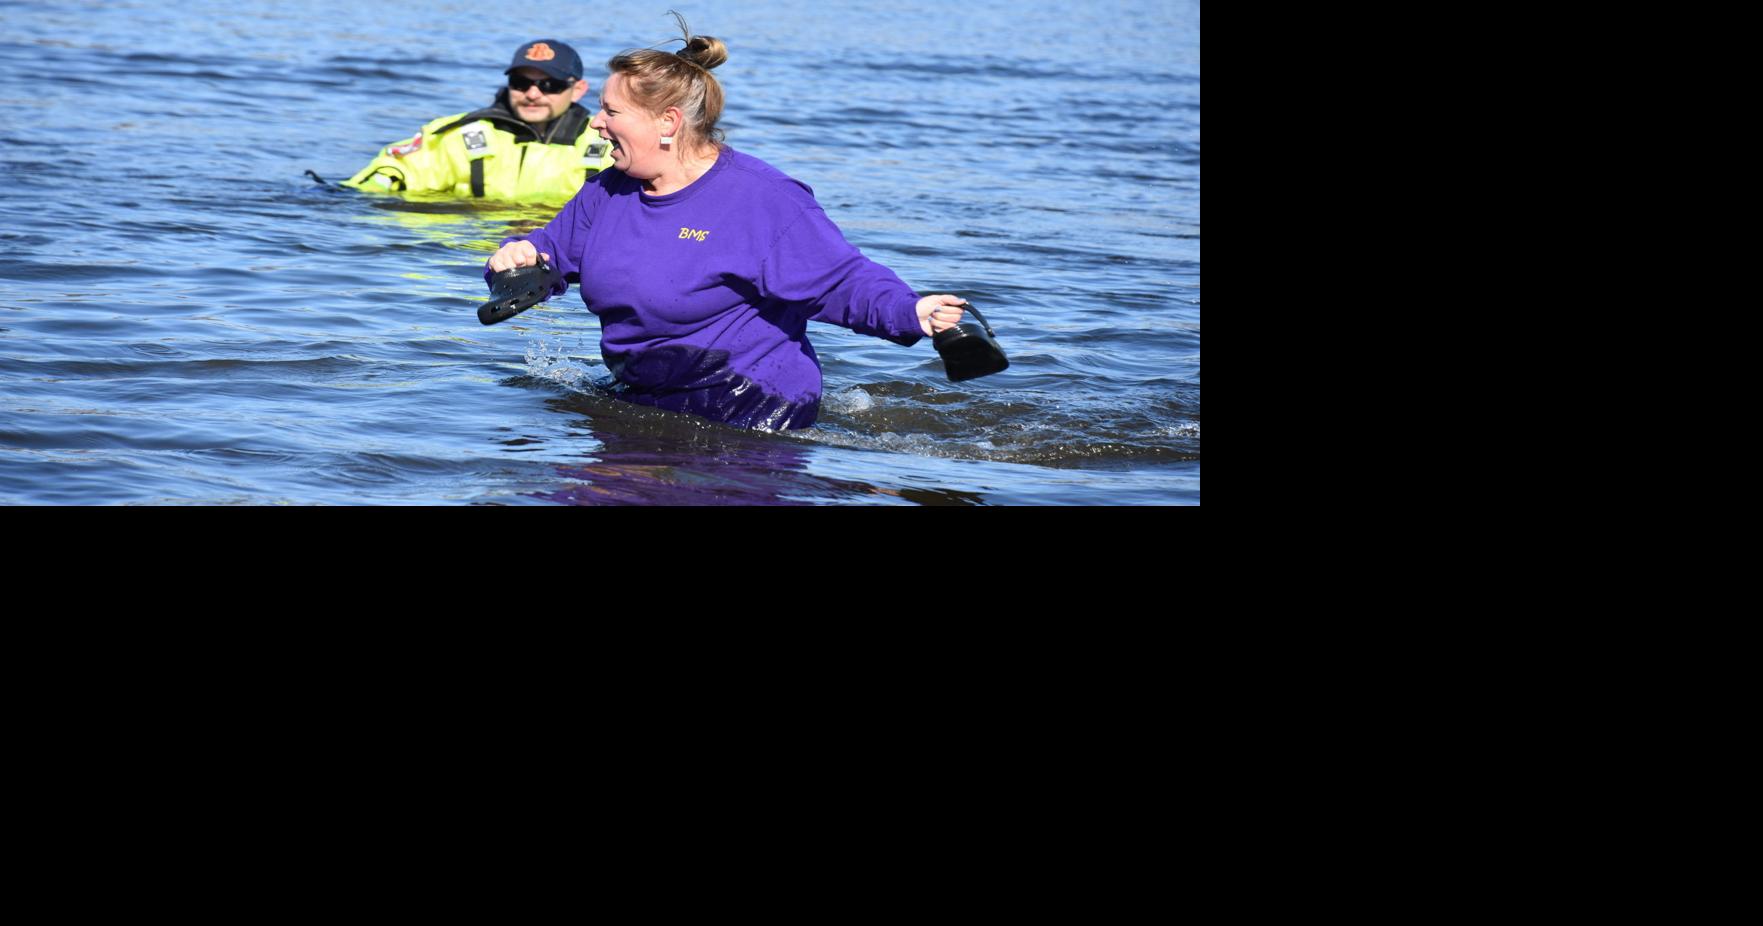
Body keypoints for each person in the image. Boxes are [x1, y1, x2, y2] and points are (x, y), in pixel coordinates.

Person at [486, 21, 970, 431]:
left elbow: (842, 281)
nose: (595, 123)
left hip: (750, 411)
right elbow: (549, 252)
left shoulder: (763, 200)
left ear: (667, 123)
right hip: (644, 396)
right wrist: (517, 258)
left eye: (611, 111)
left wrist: (913, 310)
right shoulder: (608, 191)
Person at [344, 40, 615, 200]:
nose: (533, 94)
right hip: (472, 252)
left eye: (549, 85)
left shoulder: (606, 141)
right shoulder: (464, 135)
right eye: (520, 83)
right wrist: (362, 194)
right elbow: (398, 170)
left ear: (578, 89)